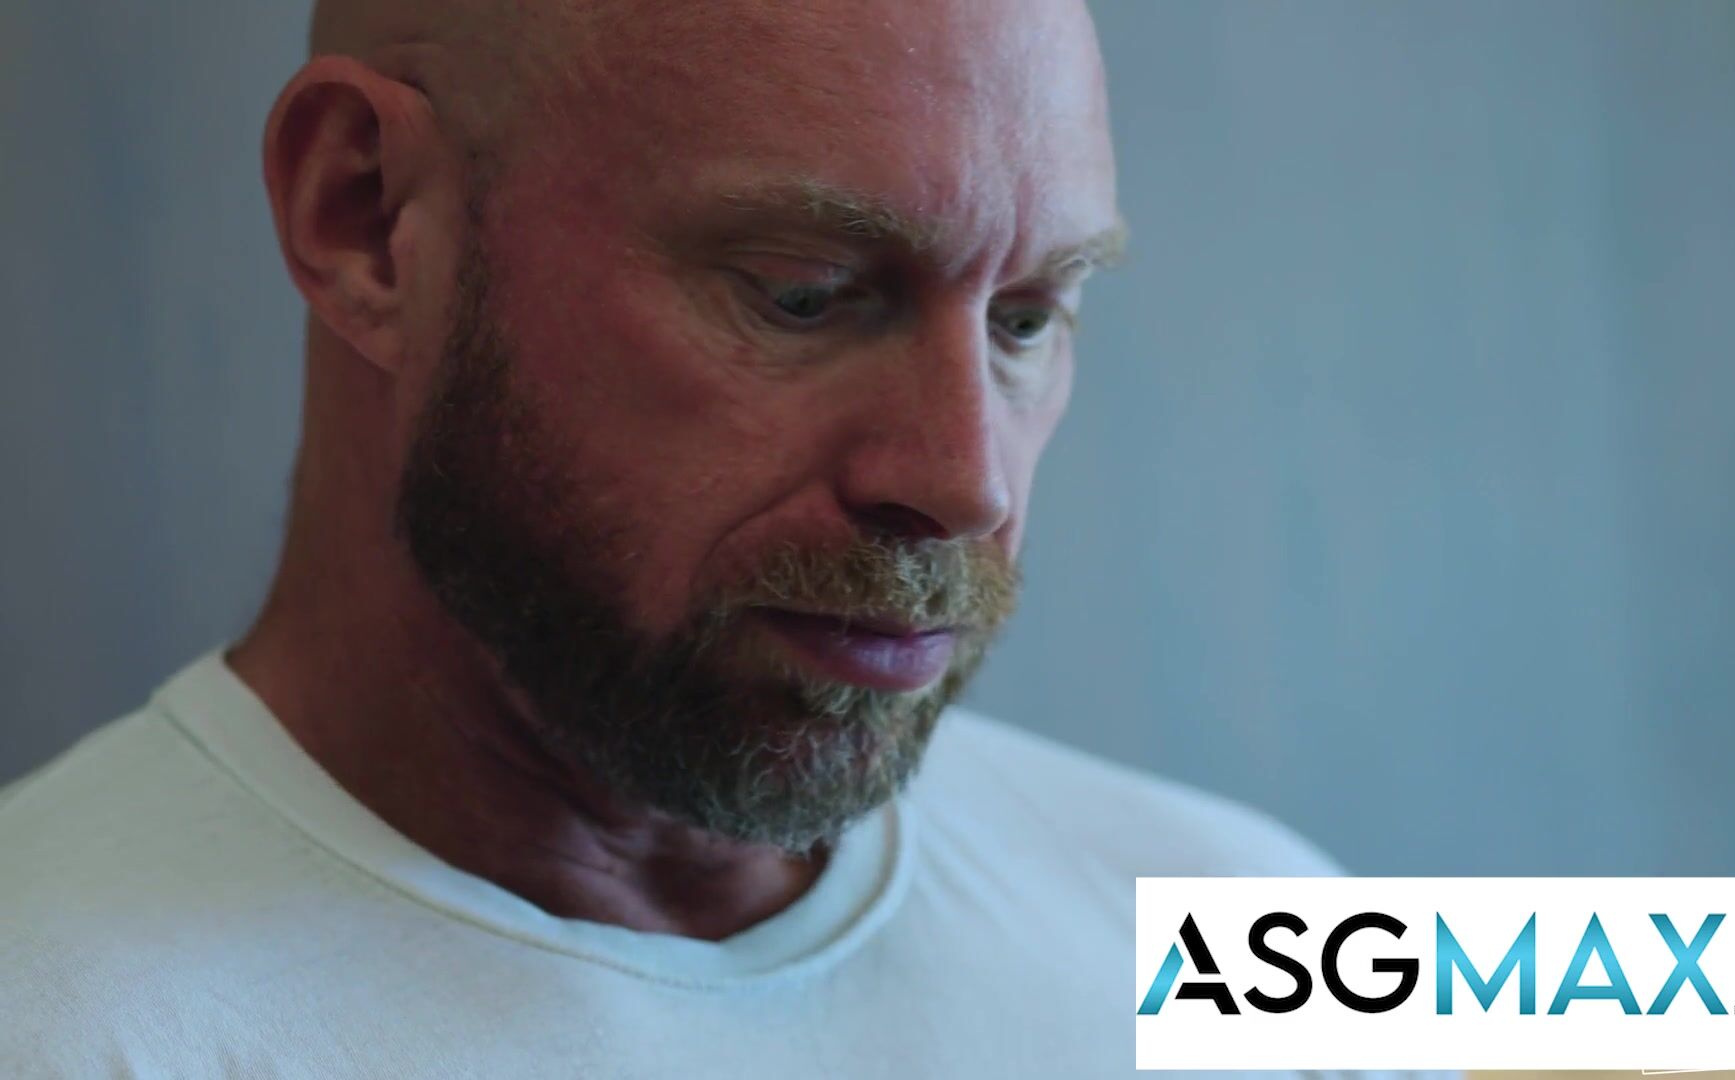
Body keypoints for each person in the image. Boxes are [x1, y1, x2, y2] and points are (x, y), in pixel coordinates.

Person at [0, 1, 1422, 1075]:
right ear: (367, 217)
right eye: (804, 292)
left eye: (1026, 317)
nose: (966, 483)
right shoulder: (56, 1017)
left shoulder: (1266, 931)